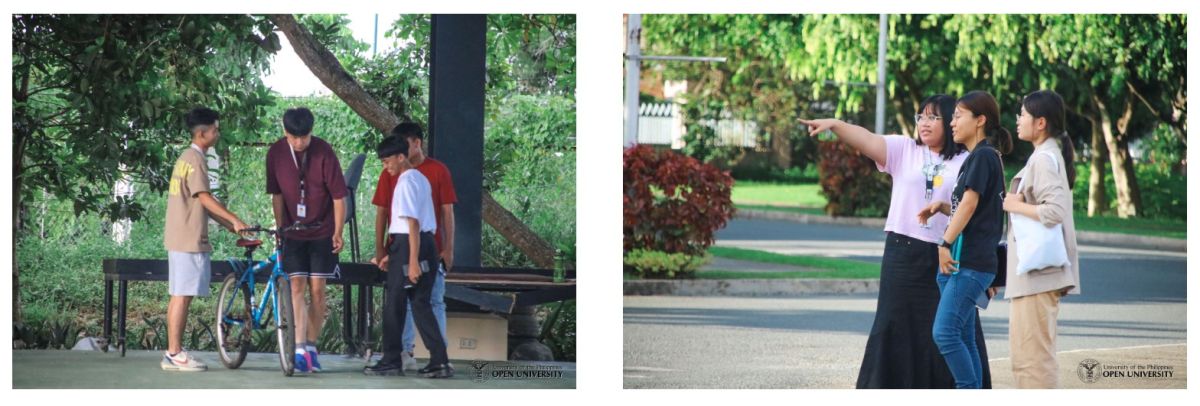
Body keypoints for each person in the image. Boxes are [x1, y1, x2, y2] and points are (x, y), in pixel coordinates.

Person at [802, 95, 991, 388]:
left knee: (952, 330)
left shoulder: (969, 158)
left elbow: (982, 214)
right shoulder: (904, 150)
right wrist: (835, 124)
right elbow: (865, 138)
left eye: (933, 118)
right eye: (920, 117)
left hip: (950, 255)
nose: (924, 124)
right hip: (903, 255)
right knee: (895, 325)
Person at [918, 90, 1012, 389]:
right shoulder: (979, 158)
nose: (952, 122)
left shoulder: (983, 156)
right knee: (964, 337)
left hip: (968, 263)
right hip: (966, 263)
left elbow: (971, 205)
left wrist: (943, 244)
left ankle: (967, 391)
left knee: (945, 333)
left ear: (980, 120)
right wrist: (944, 208)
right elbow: (975, 208)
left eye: (958, 116)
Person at [1003, 89, 1081, 388]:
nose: (1018, 120)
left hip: (1038, 275)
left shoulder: (1044, 159)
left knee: (1033, 362)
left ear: (1041, 122)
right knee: (1027, 359)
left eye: (1023, 114)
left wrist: (1014, 205)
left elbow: (1055, 211)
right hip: (1035, 275)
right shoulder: (1045, 156)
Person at [161, 107, 249, 371]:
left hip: (179, 236)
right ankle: (175, 353)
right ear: (202, 133)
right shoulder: (196, 159)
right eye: (215, 129)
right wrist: (234, 219)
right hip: (188, 238)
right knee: (182, 295)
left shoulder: (185, 157)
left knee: (179, 294)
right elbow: (204, 198)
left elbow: (201, 203)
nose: (218, 133)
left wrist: (229, 225)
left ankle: (172, 353)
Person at [265, 107, 349, 373]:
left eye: (304, 137)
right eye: (294, 137)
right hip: (293, 231)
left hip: (322, 231)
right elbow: (276, 194)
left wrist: (339, 231)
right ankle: (299, 348)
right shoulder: (276, 153)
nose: (300, 142)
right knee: (297, 288)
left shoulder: (324, 151)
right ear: (285, 131)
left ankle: (311, 345)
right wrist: (280, 227)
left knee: (318, 290)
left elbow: (338, 196)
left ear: (312, 132)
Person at [364, 135, 454, 378]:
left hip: (411, 245)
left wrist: (411, 261)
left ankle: (392, 359)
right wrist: (393, 256)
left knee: (394, 304)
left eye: (387, 161)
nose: (386, 166)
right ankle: (440, 361)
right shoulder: (420, 178)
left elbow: (412, 223)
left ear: (401, 157)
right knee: (420, 304)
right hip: (422, 245)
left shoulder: (404, 182)